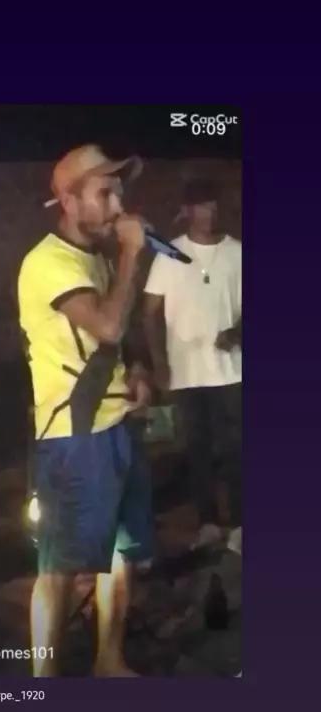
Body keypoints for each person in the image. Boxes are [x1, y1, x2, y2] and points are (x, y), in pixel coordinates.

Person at [18, 144, 154, 676]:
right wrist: (133, 253)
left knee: (121, 552)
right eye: (105, 193)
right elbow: (108, 325)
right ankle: (43, 680)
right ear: (69, 202)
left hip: (116, 425)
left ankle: (109, 660)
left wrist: (137, 369)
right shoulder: (47, 263)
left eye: (119, 192)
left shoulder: (97, 257)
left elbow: (118, 339)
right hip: (74, 439)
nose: (118, 204)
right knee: (60, 569)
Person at [143, 177, 242, 555]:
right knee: (197, 452)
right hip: (186, 373)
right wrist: (159, 363)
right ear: (186, 211)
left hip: (231, 371)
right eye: (201, 206)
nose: (209, 213)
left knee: (236, 450)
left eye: (213, 205)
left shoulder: (237, 253)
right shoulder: (169, 254)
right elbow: (149, 313)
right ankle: (207, 523)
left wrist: (237, 332)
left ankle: (240, 524)